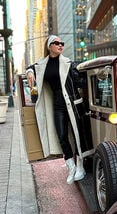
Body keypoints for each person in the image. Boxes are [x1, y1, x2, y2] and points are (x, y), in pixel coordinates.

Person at [26, 35, 93, 184]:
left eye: (62, 43)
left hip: (74, 103)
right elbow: (31, 68)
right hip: (57, 105)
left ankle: (81, 166)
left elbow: (80, 79)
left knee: (77, 135)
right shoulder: (43, 64)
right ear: (49, 46)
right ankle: (71, 166)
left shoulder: (68, 63)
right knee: (62, 136)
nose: (60, 45)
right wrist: (29, 72)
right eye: (56, 43)